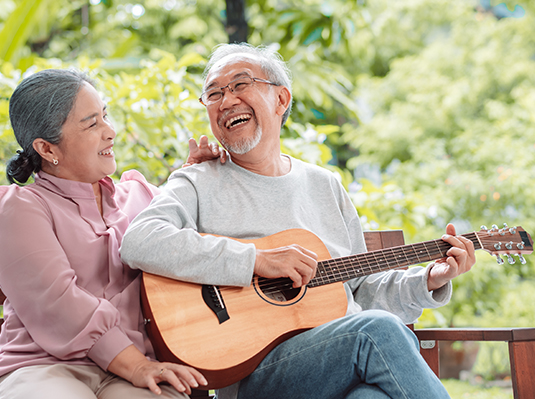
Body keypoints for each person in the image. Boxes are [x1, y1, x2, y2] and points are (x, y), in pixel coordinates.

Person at [121, 43, 476, 399]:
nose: (226, 101)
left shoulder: (325, 185)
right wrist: (257, 260)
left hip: (343, 362)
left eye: (240, 85)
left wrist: (429, 280)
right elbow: (140, 240)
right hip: (257, 375)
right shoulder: (197, 180)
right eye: (214, 93)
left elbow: (360, 292)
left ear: (281, 100)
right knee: (376, 332)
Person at [0, 68, 226, 399]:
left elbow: (195, 247)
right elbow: (57, 302)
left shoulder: (141, 194)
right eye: (92, 124)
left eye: (105, 116)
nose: (110, 132)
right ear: (47, 149)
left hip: (141, 371)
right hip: (44, 367)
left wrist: (192, 184)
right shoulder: (18, 208)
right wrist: (136, 365)